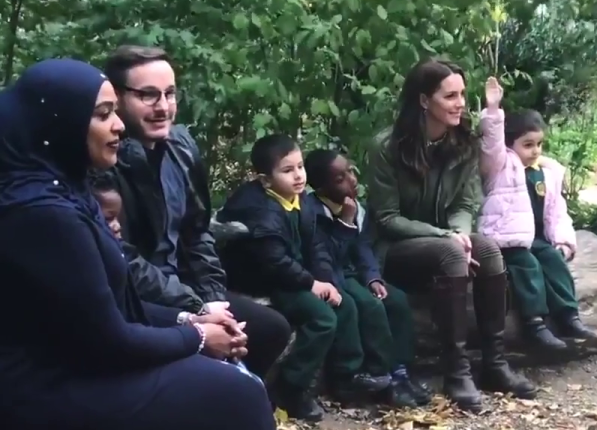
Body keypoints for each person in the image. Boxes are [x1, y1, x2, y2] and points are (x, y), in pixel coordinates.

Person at [0, 59, 276, 430]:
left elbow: (119, 297)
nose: (117, 126)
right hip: (47, 385)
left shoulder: (70, 188)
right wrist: (196, 336)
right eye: (102, 114)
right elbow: (109, 338)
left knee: (240, 364)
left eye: (114, 112)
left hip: (85, 360)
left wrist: (192, 317)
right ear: (58, 124)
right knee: (234, 393)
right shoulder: (42, 214)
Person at [104, 45, 291, 381]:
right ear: (116, 98)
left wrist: (212, 299)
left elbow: (197, 233)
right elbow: (122, 259)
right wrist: (195, 307)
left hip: (185, 289)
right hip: (138, 299)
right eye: (148, 95)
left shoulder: (181, 147)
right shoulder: (104, 163)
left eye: (169, 93)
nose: (162, 107)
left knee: (270, 329)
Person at [366, 58, 536, 412]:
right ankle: (456, 372)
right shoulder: (387, 146)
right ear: (424, 101)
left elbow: (467, 200)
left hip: (446, 240)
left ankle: (494, 364)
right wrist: (445, 235)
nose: (460, 103)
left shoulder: (462, 142)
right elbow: (387, 218)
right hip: (395, 248)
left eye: (462, 94)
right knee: (453, 253)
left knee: (487, 249)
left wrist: (459, 230)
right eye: (450, 96)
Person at [218, 135, 390, 421]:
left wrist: (326, 280)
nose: (298, 175)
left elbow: (315, 246)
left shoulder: (300, 200)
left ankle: (345, 378)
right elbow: (275, 263)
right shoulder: (259, 209)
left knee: (343, 302)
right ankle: (291, 388)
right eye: (287, 170)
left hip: (296, 273)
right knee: (321, 319)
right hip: (266, 281)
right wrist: (311, 284)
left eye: (300, 166)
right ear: (264, 180)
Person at [304, 147, 432, 408]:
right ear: (320, 187)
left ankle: (401, 370)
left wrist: (373, 277)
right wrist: (345, 224)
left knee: (395, 300)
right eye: (340, 179)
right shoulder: (312, 212)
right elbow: (326, 259)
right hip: (332, 275)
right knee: (370, 305)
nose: (351, 180)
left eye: (350, 171)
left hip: (352, 271)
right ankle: (380, 375)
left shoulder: (354, 207)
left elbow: (362, 247)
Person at [476, 77, 596, 350]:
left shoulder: (548, 171)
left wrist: (564, 240)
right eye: (528, 145)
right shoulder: (500, 166)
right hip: (505, 240)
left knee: (553, 261)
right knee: (527, 266)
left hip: (536, 238)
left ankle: (568, 315)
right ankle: (534, 324)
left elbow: (556, 211)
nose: (535, 151)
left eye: (539, 144)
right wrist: (493, 110)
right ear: (511, 144)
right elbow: (491, 143)